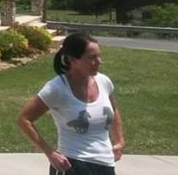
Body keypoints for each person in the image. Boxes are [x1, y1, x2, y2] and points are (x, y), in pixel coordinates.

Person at [16, 33, 125, 175]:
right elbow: (24, 119)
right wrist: (50, 153)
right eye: (92, 57)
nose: (99, 61)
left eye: (99, 56)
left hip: (105, 164)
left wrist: (120, 141)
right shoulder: (57, 88)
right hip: (71, 164)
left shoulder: (104, 82)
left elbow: (113, 109)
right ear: (73, 60)